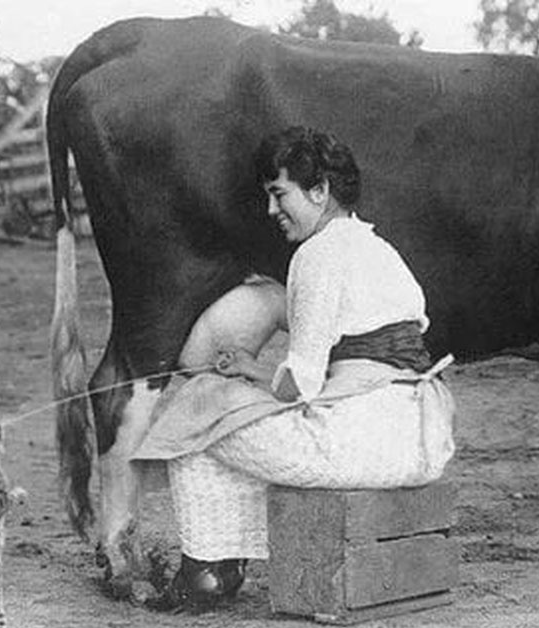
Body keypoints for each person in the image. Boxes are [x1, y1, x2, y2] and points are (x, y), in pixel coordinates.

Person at [133, 126, 456, 612]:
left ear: (319, 190)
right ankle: (222, 563)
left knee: (198, 411)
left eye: (279, 193)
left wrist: (241, 382)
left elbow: (301, 385)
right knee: (231, 413)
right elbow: (360, 365)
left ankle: (207, 572)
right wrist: (253, 370)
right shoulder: (380, 250)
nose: (271, 209)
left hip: (362, 447)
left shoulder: (317, 254)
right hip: (422, 438)